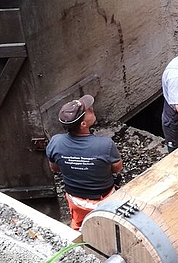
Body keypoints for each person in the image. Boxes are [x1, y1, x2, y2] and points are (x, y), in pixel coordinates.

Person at [46, 94, 123, 230]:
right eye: (88, 110)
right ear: (83, 124)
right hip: (103, 198)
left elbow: (55, 168)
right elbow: (117, 168)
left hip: (75, 199)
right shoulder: (105, 144)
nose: (91, 109)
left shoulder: (56, 142)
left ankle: (76, 232)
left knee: (77, 223)